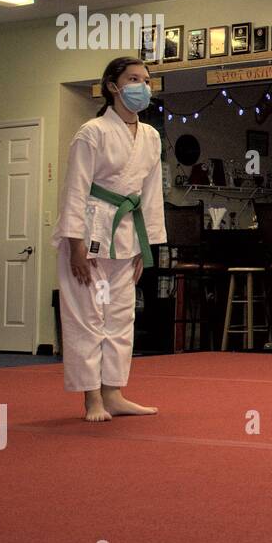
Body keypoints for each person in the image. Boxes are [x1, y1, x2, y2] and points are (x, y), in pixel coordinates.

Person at [51, 56, 166, 422]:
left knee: (120, 316)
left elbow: (150, 194)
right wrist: (75, 245)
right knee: (88, 315)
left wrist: (145, 248)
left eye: (147, 80)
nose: (142, 87)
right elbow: (75, 189)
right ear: (113, 86)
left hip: (127, 234)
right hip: (90, 229)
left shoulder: (150, 136)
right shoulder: (92, 132)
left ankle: (114, 392)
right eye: (133, 79)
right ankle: (92, 399)